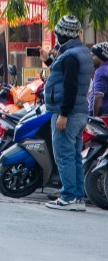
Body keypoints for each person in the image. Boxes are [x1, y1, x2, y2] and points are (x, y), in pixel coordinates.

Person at [44, 15, 94, 211]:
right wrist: (49, 60)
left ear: (63, 35)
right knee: (74, 157)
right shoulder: (81, 53)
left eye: (57, 33)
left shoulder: (70, 56)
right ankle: (77, 198)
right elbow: (65, 76)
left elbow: (70, 86)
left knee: (64, 156)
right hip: (80, 112)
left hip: (68, 113)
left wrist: (63, 114)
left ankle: (68, 196)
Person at [90, 43, 108, 117]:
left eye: (93, 55)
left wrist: (94, 117)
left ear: (101, 57)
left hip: (102, 116)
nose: (91, 58)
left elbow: (98, 96)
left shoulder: (101, 71)